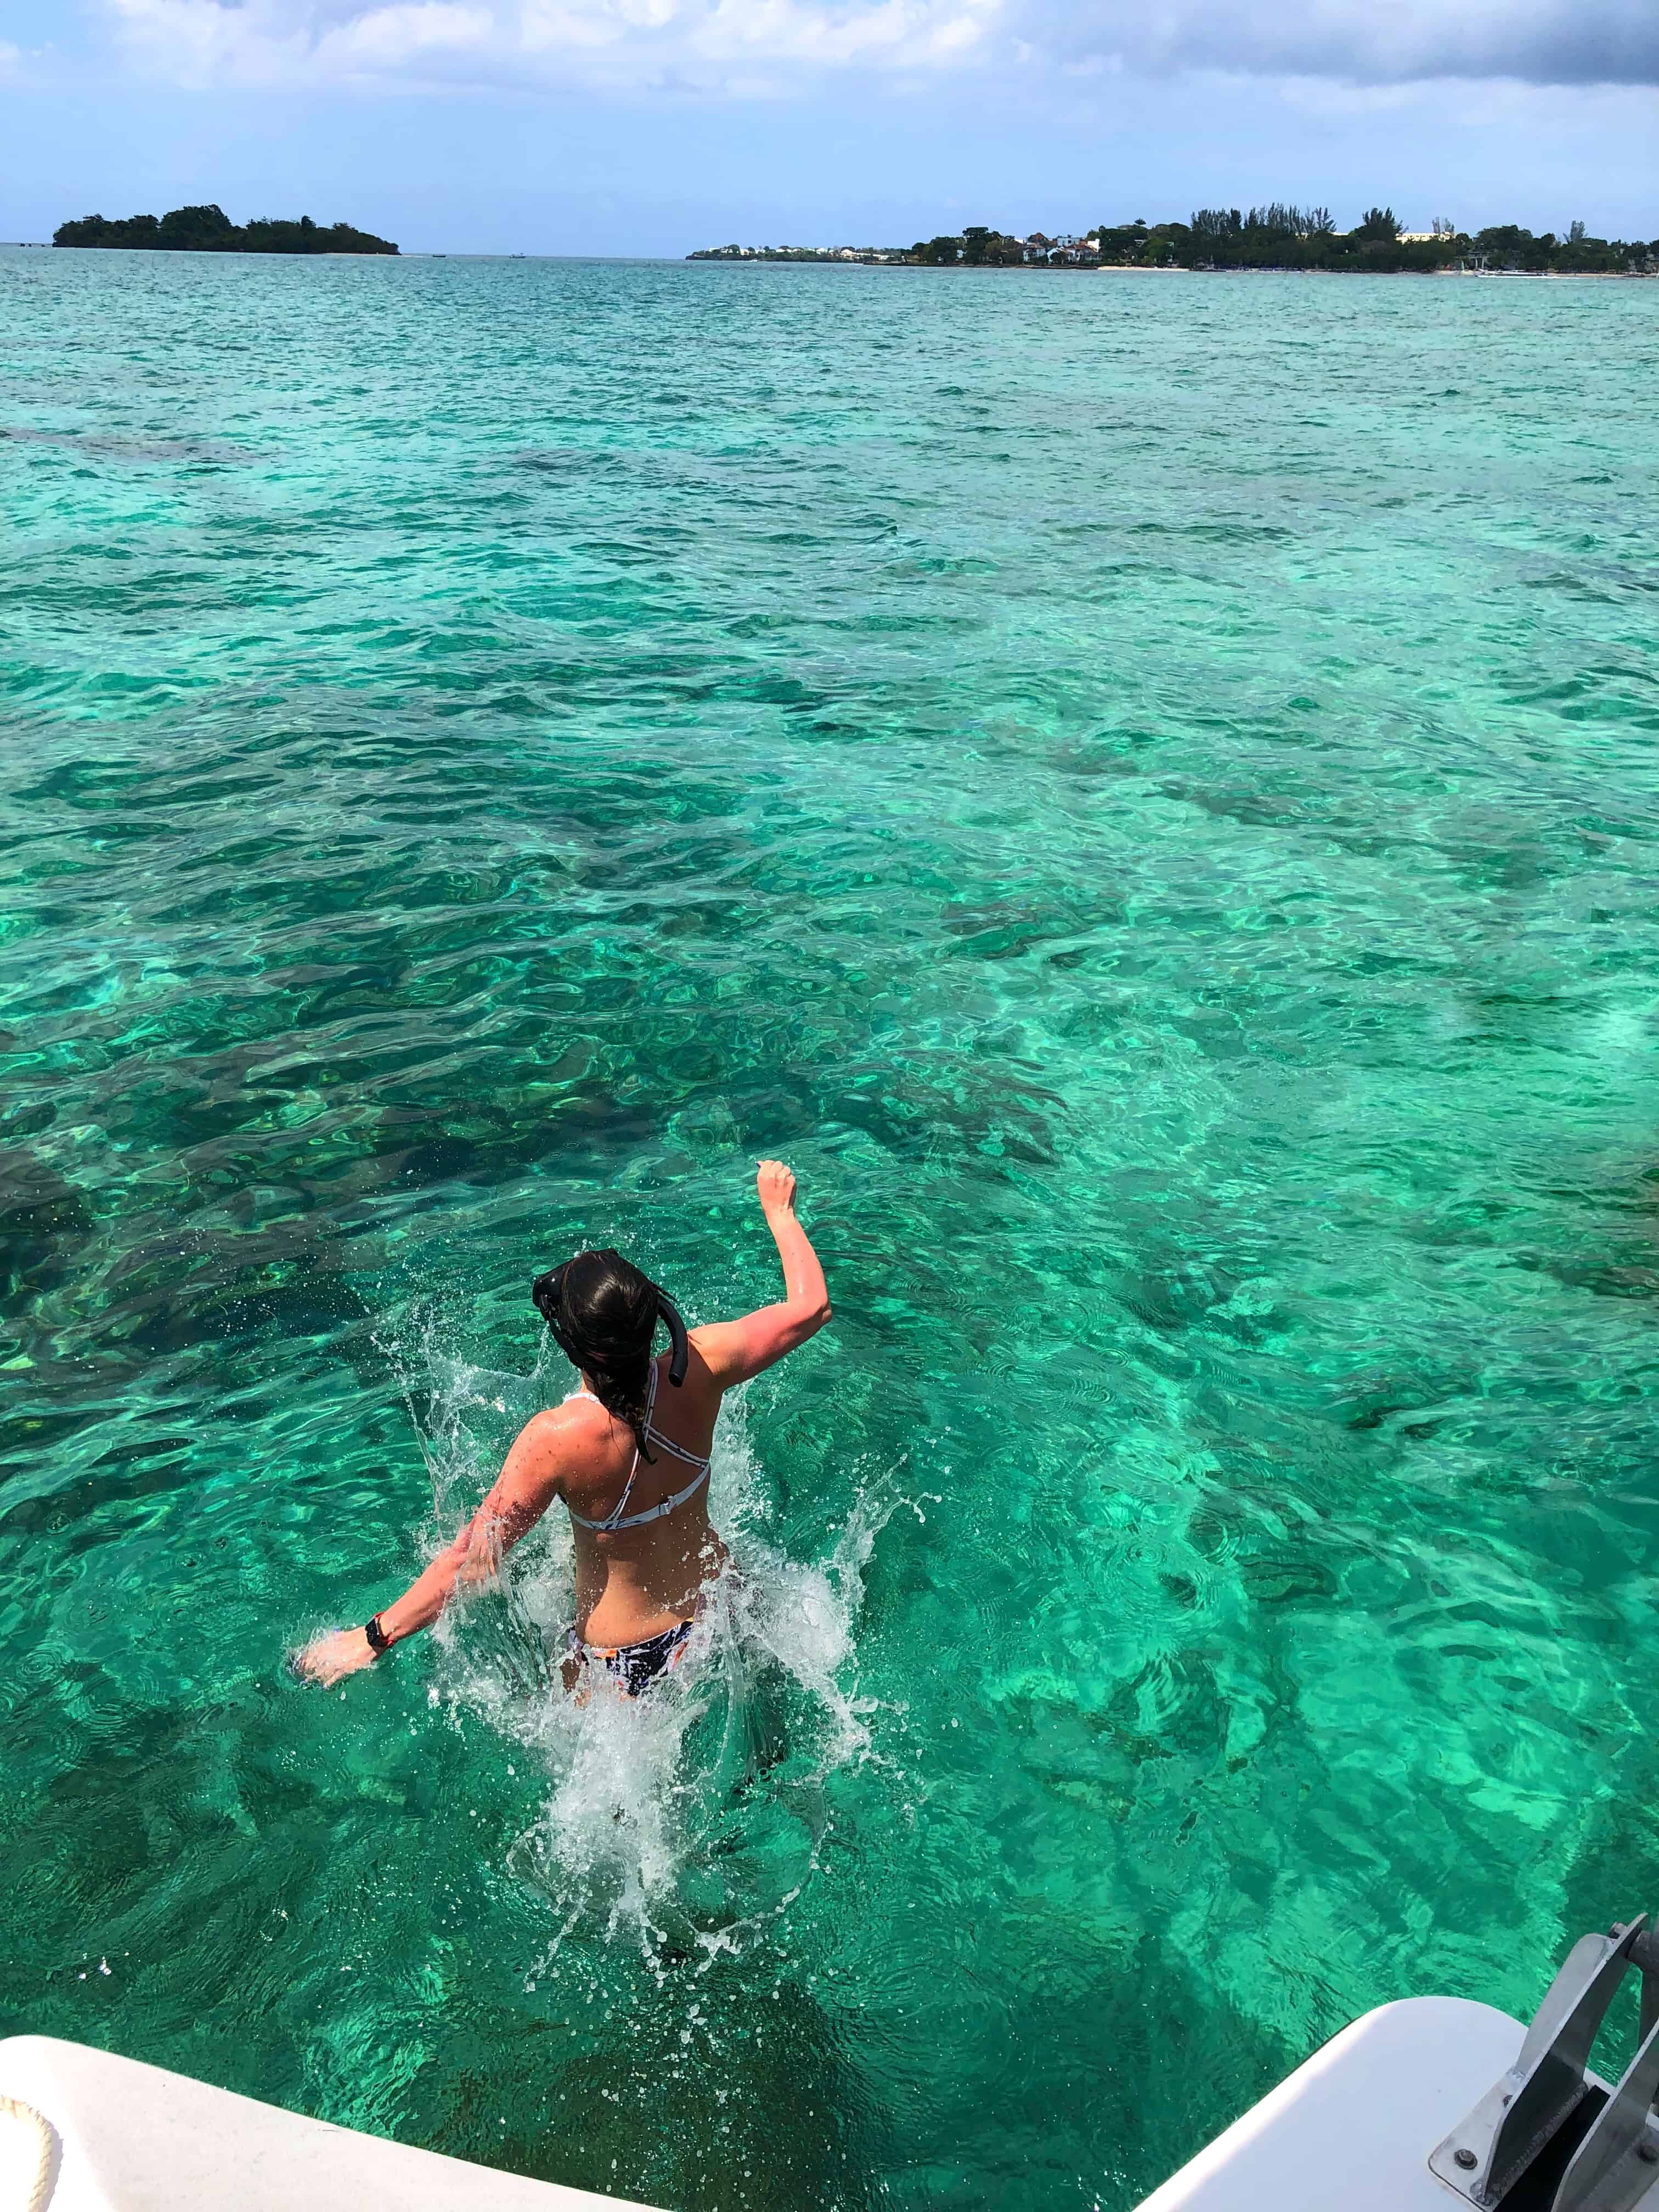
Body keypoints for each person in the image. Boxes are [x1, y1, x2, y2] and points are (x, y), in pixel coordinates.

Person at [296, 1160, 830, 1697]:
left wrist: (369, 1639)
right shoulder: (702, 1366)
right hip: (725, 1611)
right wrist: (779, 1212)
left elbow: (474, 1559)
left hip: (628, 1667)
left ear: (574, 1346)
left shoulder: (557, 1439)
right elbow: (810, 1308)